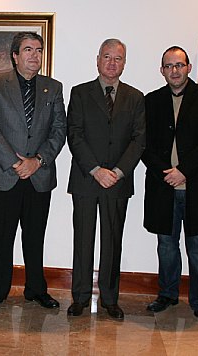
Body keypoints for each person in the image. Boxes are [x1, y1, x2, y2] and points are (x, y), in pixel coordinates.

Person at [0, 32, 66, 314]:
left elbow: (59, 131)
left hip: (39, 177)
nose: (34, 55)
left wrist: (37, 161)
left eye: (39, 50)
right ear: (15, 56)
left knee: (34, 236)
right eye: (28, 50)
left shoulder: (53, 88)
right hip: (4, 175)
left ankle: (36, 289)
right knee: (2, 237)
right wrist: (16, 163)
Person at [142, 46, 198, 331]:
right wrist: (167, 174)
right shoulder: (151, 101)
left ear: (189, 67)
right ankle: (167, 294)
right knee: (166, 245)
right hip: (164, 187)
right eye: (168, 66)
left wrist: (184, 172)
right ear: (162, 70)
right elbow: (145, 144)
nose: (174, 70)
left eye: (179, 65)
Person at [66, 38, 145, 320]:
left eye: (118, 58)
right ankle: (80, 297)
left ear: (125, 63)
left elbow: (139, 140)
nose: (112, 63)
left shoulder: (136, 97)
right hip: (87, 180)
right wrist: (96, 170)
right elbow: (73, 135)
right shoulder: (79, 93)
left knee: (113, 241)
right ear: (97, 59)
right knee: (83, 240)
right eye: (107, 57)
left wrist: (118, 172)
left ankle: (110, 298)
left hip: (118, 182)